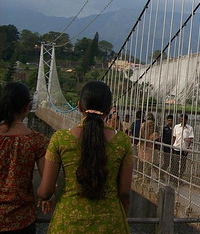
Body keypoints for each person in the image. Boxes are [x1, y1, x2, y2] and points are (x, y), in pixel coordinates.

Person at [37, 81, 133, 233]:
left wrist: (42, 195)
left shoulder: (60, 139)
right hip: (111, 225)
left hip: (67, 225)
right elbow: (125, 193)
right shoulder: (123, 142)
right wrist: (122, 218)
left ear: (79, 106)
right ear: (108, 110)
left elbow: (45, 191)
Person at [0, 82, 51, 233]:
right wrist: (47, 196)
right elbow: (46, 186)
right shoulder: (37, 141)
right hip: (22, 222)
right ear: (26, 108)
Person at [137, 112, 160, 182]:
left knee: (140, 161)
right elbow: (157, 136)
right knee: (148, 163)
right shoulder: (155, 126)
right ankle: (146, 179)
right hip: (150, 146)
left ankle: (140, 175)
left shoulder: (143, 125)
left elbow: (140, 135)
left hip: (142, 145)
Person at [171, 114, 194, 181]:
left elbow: (190, 139)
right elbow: (174, 137)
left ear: (186, 120)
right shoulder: (176, 127)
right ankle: (174, 179)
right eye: (181, 119)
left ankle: (179, 178)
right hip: (176, 147)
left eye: (183, 119)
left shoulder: (190, 128)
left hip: (184, 149)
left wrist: (187, 148)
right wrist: (172, 146)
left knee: (183, 165)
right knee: (176, 164)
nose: (181, 120)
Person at [161, 114, 174, 179]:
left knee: (173, 162)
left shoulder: (175, 128)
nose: (170, 122)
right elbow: (162, 138)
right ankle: (161, 174)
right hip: (166, 148)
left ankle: (172, 177)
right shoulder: (165, 128)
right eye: (168, 121)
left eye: (171, 121)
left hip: (173, 147)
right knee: (166, 162)